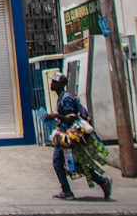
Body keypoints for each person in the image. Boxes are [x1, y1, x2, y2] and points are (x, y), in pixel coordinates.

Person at [45, 71, 111, 200]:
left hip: (71, 137)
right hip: (65, 136)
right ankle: (102, 182)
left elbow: (71, 118)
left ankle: (68, 191)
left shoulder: (66, 98)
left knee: (59, 162)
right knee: (74, 164)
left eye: (54, 82)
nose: (51, 84)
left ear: (60, 84)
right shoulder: (61, 98)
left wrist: (57, 116)